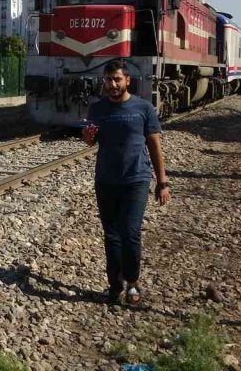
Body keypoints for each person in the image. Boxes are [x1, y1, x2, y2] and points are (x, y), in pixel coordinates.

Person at [81, 60, 168, 306]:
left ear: (128, 81)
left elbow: (154, 144)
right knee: (111, 235)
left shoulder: (143, 108)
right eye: (108, 80)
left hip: (136, 178)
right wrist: (86, 138)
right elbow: (91, 140)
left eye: (117, 79)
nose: (112, 84)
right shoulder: (97, 109)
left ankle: (132, 283)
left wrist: (162, 181)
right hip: (106, 179)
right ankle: (114, 285)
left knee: (130, 233)